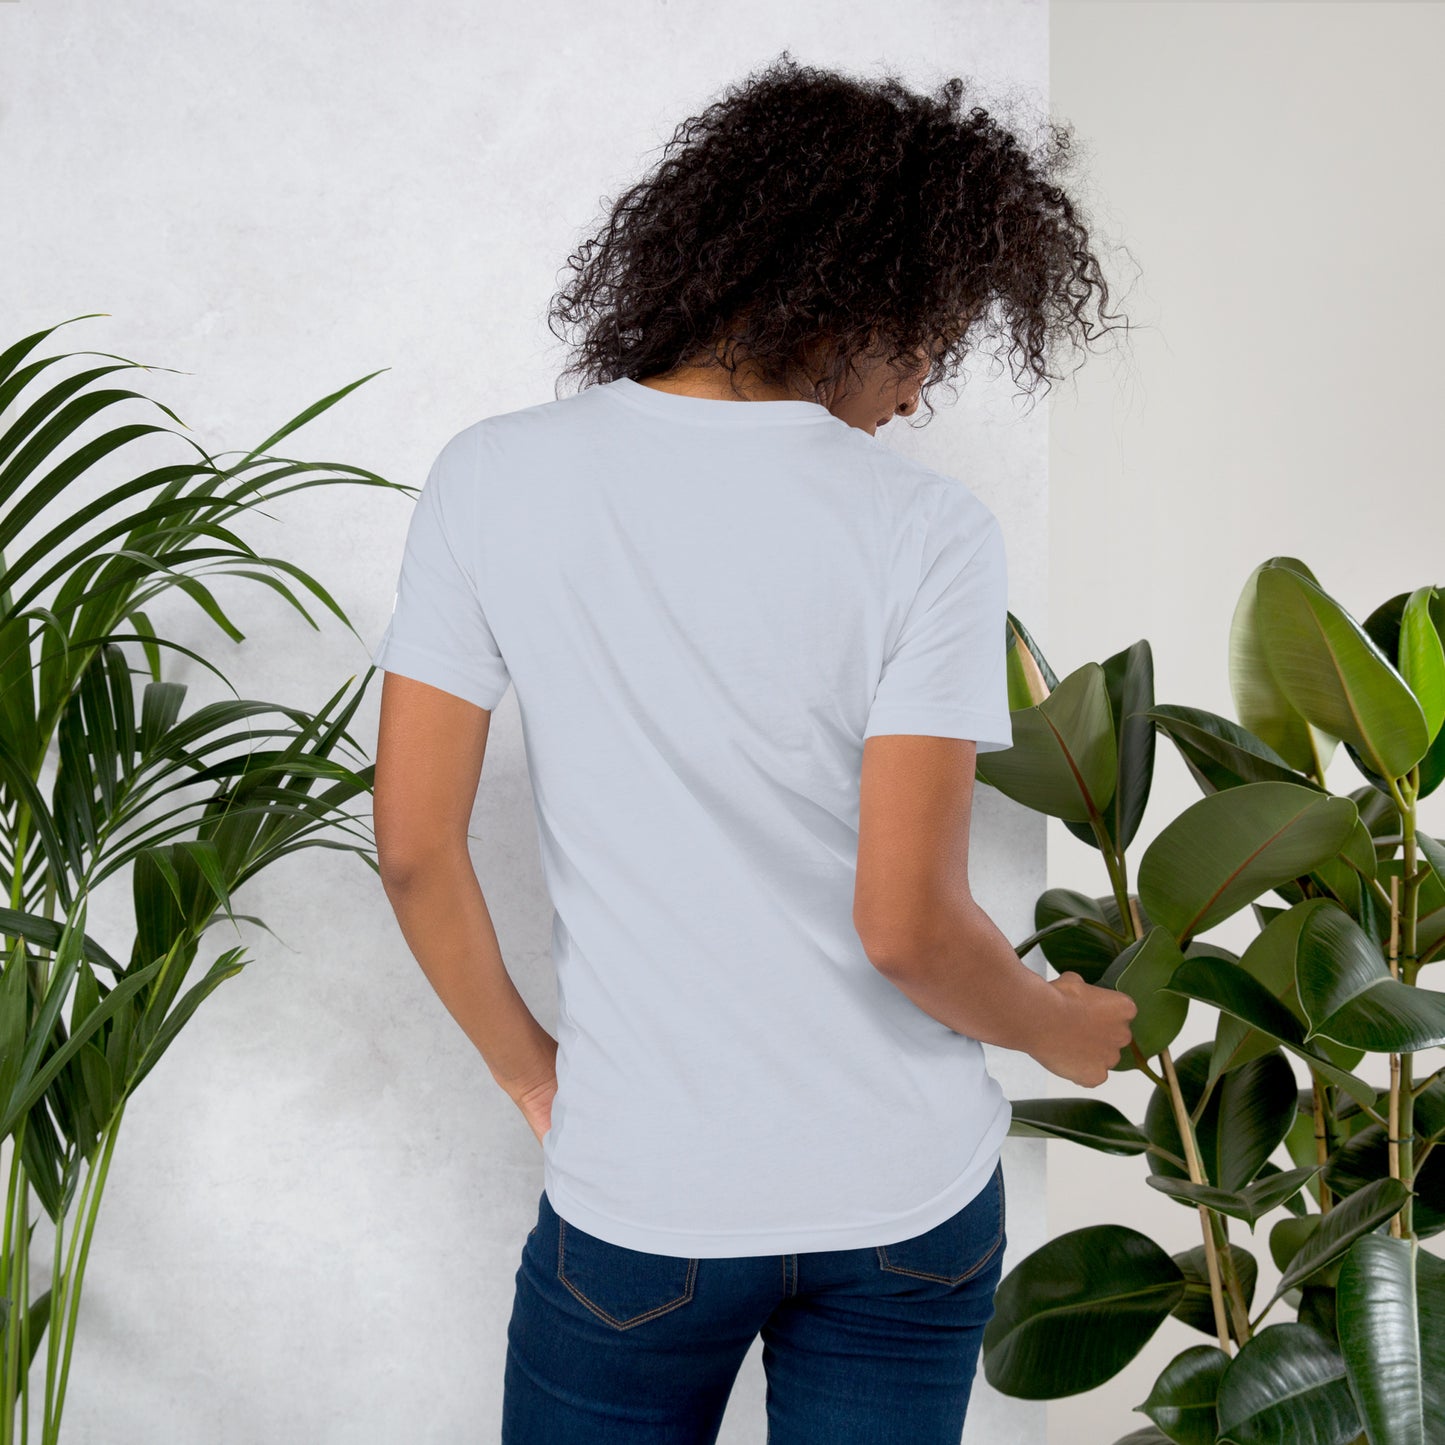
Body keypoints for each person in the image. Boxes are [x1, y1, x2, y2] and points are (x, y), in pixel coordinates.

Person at [371, 51, 1137, 1445]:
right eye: (930, 340)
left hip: (642, 1201)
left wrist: (530, 1072)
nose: (915, 398)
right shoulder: (925, 534)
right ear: (856, 295)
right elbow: (906, 924)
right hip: (901, 1206)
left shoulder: (493, 477)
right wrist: (1059, 1025)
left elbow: (415, 849)